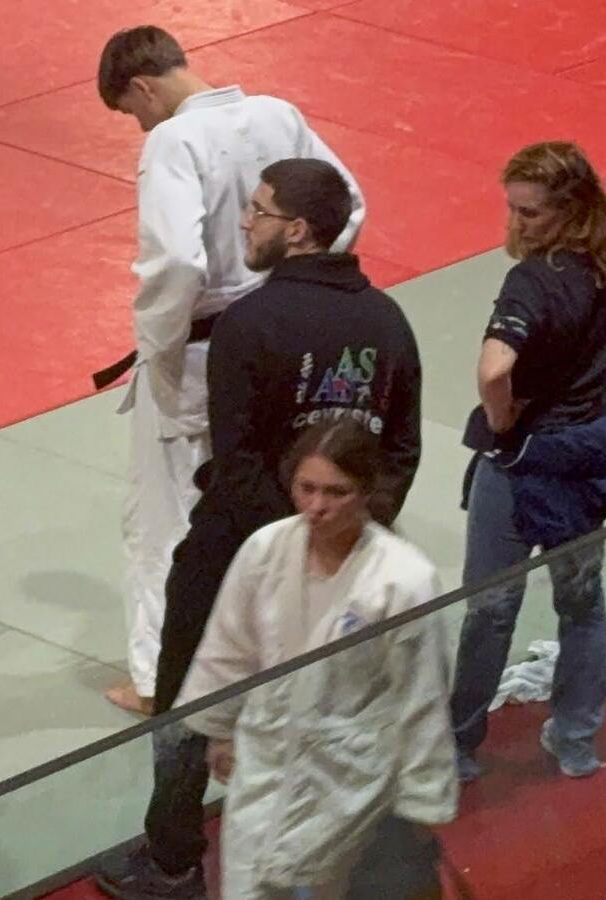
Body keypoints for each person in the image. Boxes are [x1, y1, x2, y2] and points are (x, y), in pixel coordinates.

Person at [97, 159, 420, 900]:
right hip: (344, 558)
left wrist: (286, 546)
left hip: (239, 549)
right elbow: (401, 450)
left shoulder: (250, 323)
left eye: (259, 209)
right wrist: (347, 534)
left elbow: (238, 458)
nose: (246, 221)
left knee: (188, 695)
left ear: (297, 230)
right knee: (325, 706)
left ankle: (174, 856)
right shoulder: (388, 321)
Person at [93, 26, 365, 717]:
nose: (138, 125)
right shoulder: (278, 114)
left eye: (131, 110)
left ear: (143, 86)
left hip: (198, 351)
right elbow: (348, 205)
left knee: (165, 519)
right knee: (270, 496)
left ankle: (158, 678)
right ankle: (273, 656)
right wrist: (302, 288)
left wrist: (158, 343)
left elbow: (178, 261)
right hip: (285, 341)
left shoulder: (174, 141)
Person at [451, 141, 606, 782]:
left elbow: (494, 370)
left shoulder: (534, 281)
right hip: (586, 458)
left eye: (531, 212)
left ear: (572, 210)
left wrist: (501, 420)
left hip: (524, 461)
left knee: (490, 606)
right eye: (513, 208)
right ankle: (576, 736)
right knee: (582, 602)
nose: (518, 224)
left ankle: (459, 745)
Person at [178, 421, 456, 900]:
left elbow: (421, 695)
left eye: (335, 492)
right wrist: (220, 727)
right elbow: (231, 644)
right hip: (266, 758)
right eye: (306, 488)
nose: (316, 506)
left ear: (366, 491)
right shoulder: (266, 549)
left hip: (350, 777)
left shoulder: (403, 579)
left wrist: (421, 801)